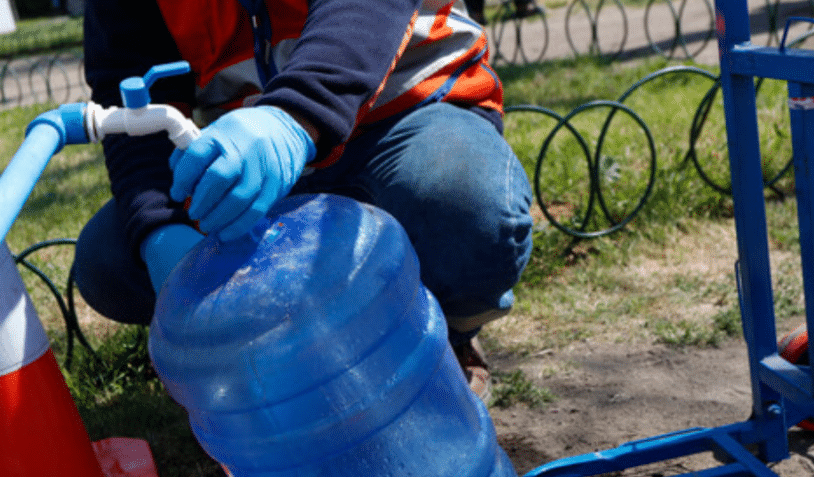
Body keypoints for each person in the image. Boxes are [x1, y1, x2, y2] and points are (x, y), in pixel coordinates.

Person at [73, 0, 534, 403]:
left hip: (402, 118)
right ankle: (268, 360)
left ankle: (441, 331)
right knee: (111, 259)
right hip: (252, 155)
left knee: (461, 201)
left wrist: (295, 118)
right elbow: (130, 87)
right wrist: (161, 227)